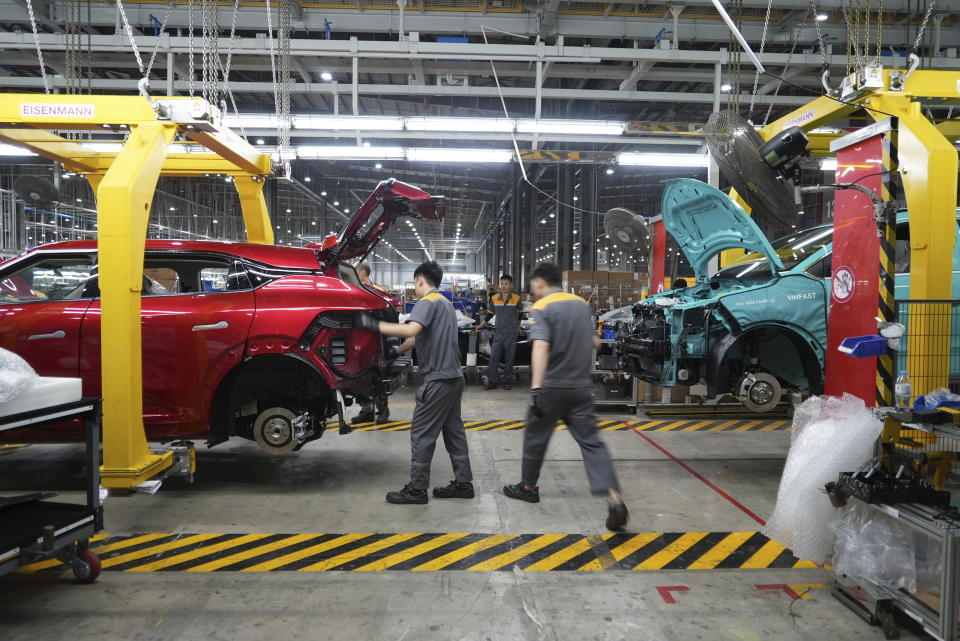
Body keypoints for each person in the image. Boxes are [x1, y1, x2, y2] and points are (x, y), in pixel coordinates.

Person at [502, 262, 628, 531]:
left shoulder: (543, 306)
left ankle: (527, 487)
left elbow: (540, 347)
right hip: (581, 388)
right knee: (592, 443)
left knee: (536, 437)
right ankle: (614, 498)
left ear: (539, 282)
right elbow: (594, 342)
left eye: (533, 285)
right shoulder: (581, 304)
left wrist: (536, 388)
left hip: (552, 387)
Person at [357, 260, 474, 504]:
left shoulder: (427, 302)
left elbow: (410, 330)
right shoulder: (446, 304)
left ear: (420, 281)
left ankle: (417, 489)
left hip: (438, 380)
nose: (414, 288)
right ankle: (463, 483)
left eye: (415, 284)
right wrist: (395, 352)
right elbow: (416, 338)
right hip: (454, 378)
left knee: (421, 433)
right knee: (454, 432)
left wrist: (375, 325)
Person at [353, 262, 390, 424]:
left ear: (362, 272)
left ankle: (383, 410)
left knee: (376, 374)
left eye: (356, 272)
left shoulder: (376, 291)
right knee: (360, 375)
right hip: (357, 339)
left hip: (374, 340)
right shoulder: (354, 290)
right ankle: (366, 410)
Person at [475, 274, 522, 390]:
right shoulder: (495, 298)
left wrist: (518, 325)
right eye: (502, 284)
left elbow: (520, 312)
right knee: (494, 357)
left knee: (509, 358)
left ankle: (507, 380)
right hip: (499, 332)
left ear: (511, 285)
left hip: (511, 332)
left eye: (506, 284)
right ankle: (492, 381)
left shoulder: (516, 298)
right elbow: (490, 314)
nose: (504, 286)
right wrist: (481, 325)